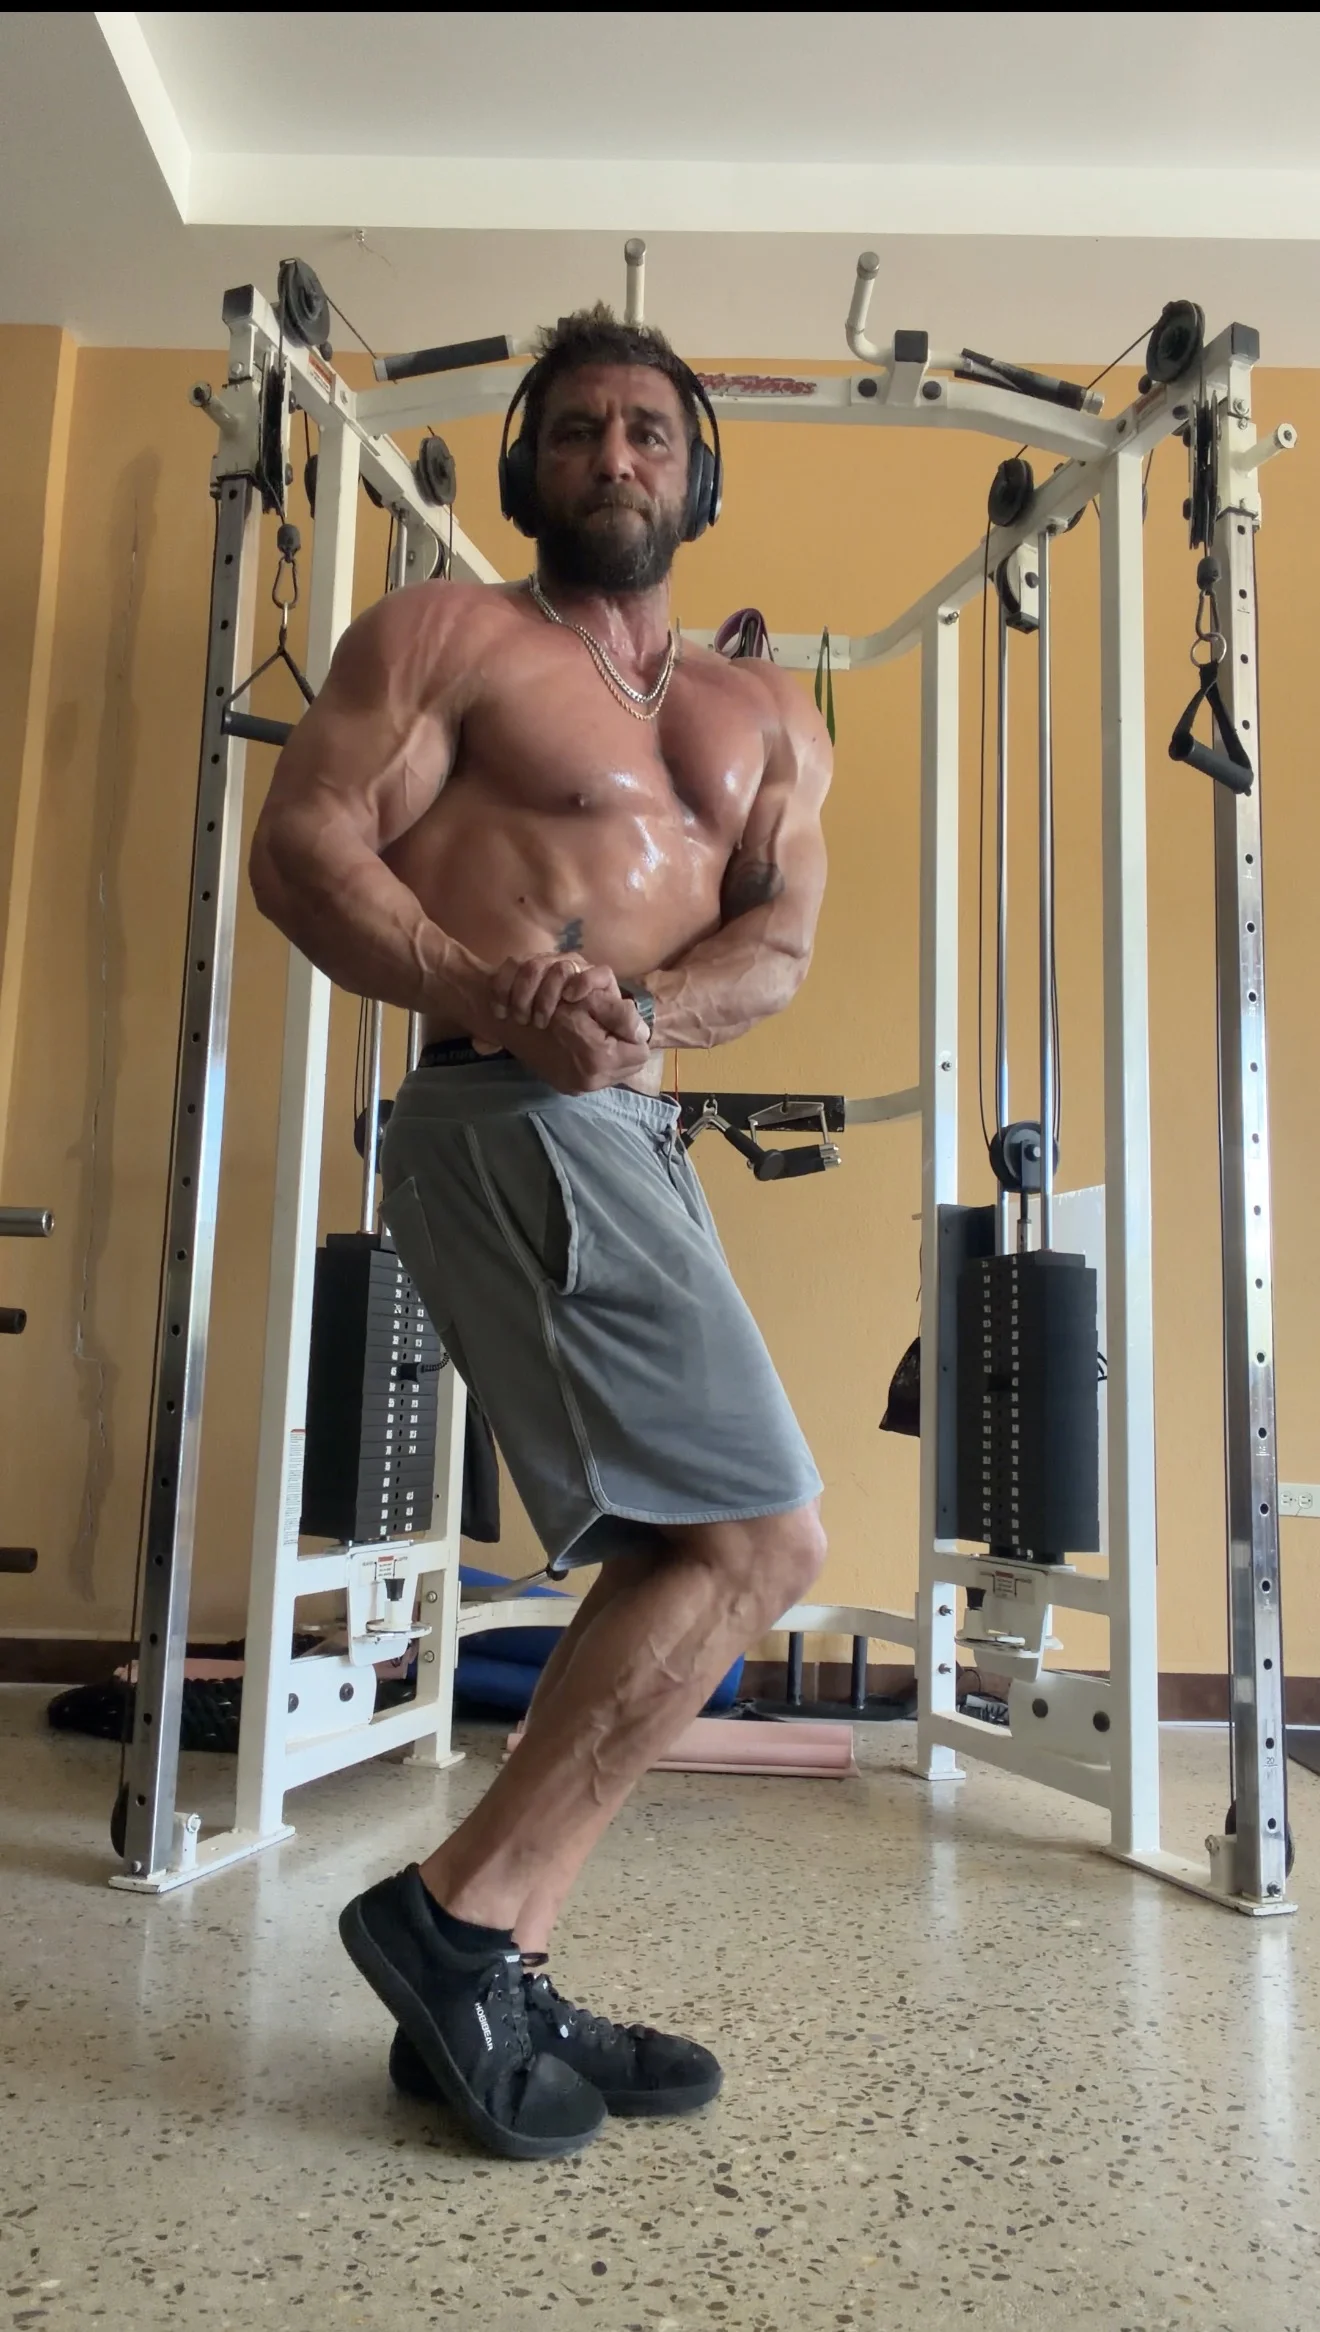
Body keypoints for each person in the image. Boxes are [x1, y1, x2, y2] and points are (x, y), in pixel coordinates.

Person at [249, 305, 833, 2161]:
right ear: (527, 467)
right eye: (577, 430)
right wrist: (494, 989)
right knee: (762, 1541)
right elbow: (304, 845)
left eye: (649, 431)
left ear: (698, 476)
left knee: (686, 1547)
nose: (614, 456)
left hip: (630, 1122)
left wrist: (645, 1020)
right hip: (508, 1109)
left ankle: (500, 1964)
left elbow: (778, 943)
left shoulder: (767, 715)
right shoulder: (449, 637)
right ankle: (452, 1922)